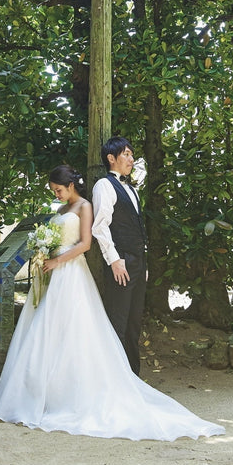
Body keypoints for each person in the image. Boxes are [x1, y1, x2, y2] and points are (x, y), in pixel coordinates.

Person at [0, 164, 225, 440]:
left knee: (76, 329)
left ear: (71, 185)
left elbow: (86, 244)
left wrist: (57, 260)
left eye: (59, 190)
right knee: (45, 329)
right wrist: (43, 252)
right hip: (52, 275)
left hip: (71, 273)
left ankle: (72, 392)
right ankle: (39, 393)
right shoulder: (60, 211)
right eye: (54, 191)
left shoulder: (85, 206)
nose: (57, 195)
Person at [91, 136, 146, 374]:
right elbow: (100, 227)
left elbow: (137, 228)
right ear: (111, 158)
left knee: (135, 322)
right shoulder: (103, 185)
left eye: (132, 154)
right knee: (118, 321)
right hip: (120, 261)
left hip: (138, 262)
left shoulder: (132, 190)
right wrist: (114, 260)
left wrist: (144, 264)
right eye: (126, 154)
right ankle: (115, 379)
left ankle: (133, 376)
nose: (131, 159)